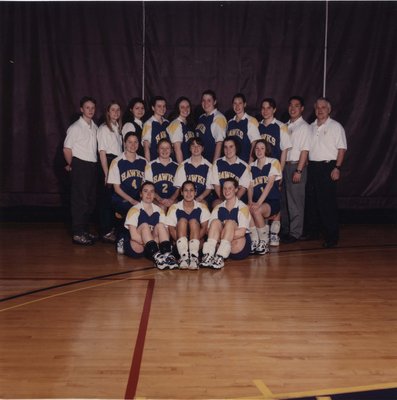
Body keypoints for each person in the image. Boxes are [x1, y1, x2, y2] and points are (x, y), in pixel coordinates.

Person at [306, 97, 347, 248]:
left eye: (323, 107)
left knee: (327, 203)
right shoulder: (310, 127)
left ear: (329, 110)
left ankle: (332, 237)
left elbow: (342, 148)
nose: (320, 110)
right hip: (313, 167)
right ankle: (314, 232)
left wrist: (337, 168)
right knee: (313, 202)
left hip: (328, 167)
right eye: (317, 107)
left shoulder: (336, 127)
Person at [117, 181, 178, 270]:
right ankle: (158, 257)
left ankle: (167, 255)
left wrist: (153, 244)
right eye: (145, 191)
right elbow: (134, 236)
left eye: (152, 191)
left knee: (161, 226)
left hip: (151, 246)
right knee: (144, 225)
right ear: (141, 194)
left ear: (154, 195)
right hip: (137, 245)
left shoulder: (159, 210)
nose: (149, 194)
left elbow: (165, 234)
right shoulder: (134, 210)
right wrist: (149, 244)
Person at [63, 96, 98, 245]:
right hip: (80, 165)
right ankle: (77, 233)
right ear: (81, 109)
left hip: (92, 165)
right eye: (87, 107)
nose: (90, 110)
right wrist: (72, 164)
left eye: (92, 108)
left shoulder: (95, 127)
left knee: (89, 200)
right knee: (80, 201)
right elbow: (66, 148)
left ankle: (84, 230)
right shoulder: (75, 127)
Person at [200, 178, 251, 269]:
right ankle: (209, 255)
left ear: (236, 190)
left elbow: (242, 232)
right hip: (223, 244)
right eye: (224, 188)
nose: (227, 191)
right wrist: (224, 236)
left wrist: (221, 236)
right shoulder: (218, 208)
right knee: (215, 222)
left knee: (230, 223)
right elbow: (209, 230)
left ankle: (220, 256)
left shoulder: (242, 207)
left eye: (230, 188)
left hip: (239, 248)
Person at [280, 96, 311, 243]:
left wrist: (298, 170)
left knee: (295, 201)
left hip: (295, 165)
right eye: (291, 105)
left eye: (297, 105)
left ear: (302, 108)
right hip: (285, 165)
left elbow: (304, 150)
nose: (293, 108)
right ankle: (286, 230)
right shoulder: (286, 125)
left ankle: (295, 232)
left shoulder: (304, 127)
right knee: (285, 200)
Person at [166, 181, 211, 270]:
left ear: (195, 192)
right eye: (186, 190)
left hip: (196, 243)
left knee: (194, 221)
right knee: (182, 220)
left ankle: (194, 257)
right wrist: (183, 244)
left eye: (191, 190)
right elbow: (171, 230)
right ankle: (184, 257)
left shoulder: (202, 207)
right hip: (180, 244)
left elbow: (205, 229)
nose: (189, 193)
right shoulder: (174, 207)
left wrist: (192, 242)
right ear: (181, 192)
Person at [248, 140, 282, 254]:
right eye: (257, 148)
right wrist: (250, 201)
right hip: (258, 201)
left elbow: (270, 184)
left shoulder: (274, 162)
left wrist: (257, 203)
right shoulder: (250, 166)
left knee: (256, 210)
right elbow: (250, 187)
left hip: (272, 201)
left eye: (262, 148)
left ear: (266, 149)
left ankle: (263, 241)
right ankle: (255, 240)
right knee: (247, 209)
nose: (259, 151)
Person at [97, 101, 123, 243]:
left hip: (116, 163)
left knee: (113, 199)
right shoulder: (103, 129)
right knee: (105, 200)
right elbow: (102, 152)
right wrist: (106, 173)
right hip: (107, 162)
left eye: (118, 110)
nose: (116, 113)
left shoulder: (117, 128)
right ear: (108, 112)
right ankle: (105, 231)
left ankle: (112, 228)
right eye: (113, 110)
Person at [107, 132, 147, 219]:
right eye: (130, 142)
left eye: (135, 142)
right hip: (121, 199)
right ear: (124, 144)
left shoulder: (144, 161)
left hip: (138, 198)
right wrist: (131, 201)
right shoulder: (116, 162)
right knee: (133, 211)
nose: (133, 145)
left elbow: (145, 184)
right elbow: (117, 189)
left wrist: (141, 200)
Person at [211, 136, 251, 208]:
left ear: (236, 148)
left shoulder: (244, 166)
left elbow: (242, 189)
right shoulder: (217, 163)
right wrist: (224, 201)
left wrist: (233, 201)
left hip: (238, 199)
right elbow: (216, 185)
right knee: (216, 205)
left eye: (231, 147)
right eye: (225, 147)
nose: (228, 150)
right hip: (221, 198)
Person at [173, 137, 214, 204]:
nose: (196, 148)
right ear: (189, 148)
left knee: (203, 204)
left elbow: (209, 188)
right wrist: (189, 198)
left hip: (202, 198)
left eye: (198, 146)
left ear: (203, 148)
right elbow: (180, 187)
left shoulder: (209, 166)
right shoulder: (183, 165)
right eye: (193, 146)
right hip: (186, 197)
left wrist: (199, 198)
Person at [144, 138, 179, 211]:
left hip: (173, 199)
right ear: (157, 150)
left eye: (167, 148)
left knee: (174, 208)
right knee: (162, 208)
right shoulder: (150, 165)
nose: (165, 150)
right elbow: (148, 187)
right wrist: (159, 199)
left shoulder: (177, 166)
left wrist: (172, 199)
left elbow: (179, 187)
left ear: (171, 150)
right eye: (162, 148)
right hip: (155, 198)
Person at [258, 97, 292, 171]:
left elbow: (284, 151)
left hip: (274, 169)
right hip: (259, 168)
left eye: (268, 108)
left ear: (274, 110)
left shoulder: (281, 126)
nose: (265, 111)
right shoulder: (257, 126)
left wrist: (280, 171)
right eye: (263, 108)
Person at [226, 93, 261, 164]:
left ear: (244, 104)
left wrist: (250, 162)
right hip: (231, 161)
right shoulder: (230, 122)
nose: (237, 106)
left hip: (244, 162)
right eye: (235, 103)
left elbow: (254, 143)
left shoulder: (251, 121)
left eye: (240, 103)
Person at [195, 89, 227, 163]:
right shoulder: (201, 117)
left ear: (215, 102)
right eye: (203, 100)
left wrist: (214, 165)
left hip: (211, 161)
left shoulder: (218, 118)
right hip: (201, 161)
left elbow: (219, 143)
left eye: (209, 100)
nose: (206, 103)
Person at [167, 96, 196, 164]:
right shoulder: (176, 124)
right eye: (182, 107)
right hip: (179, 164)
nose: (185, 109)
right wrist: (181, 168)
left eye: (187, 107)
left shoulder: (189, 123)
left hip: (189, 162)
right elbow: (177, 149)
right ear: (177, 109)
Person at [141, 96, 169, 161]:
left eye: (164, 106)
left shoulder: (167, 123)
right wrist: (148, 165)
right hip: (154, 161)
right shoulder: (148, 124)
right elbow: (146, 147)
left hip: (167, 161)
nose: (162, 108)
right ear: (153, 108)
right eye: (159, 106)